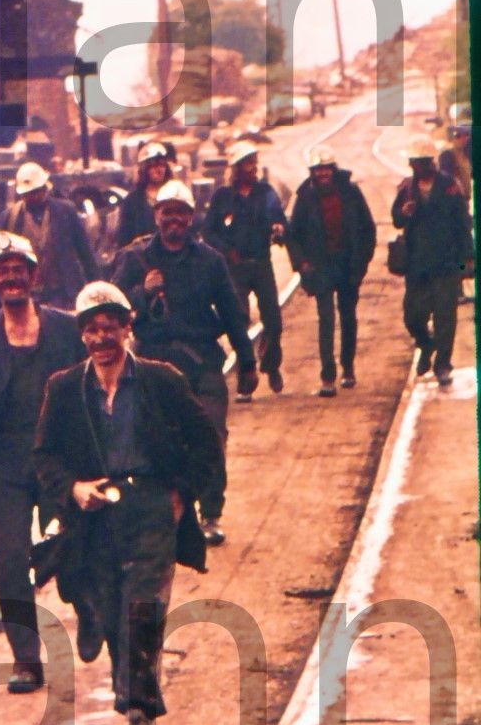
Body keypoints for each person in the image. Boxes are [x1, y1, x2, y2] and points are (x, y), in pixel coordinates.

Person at [33, 283, 224, 725]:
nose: (102, 338)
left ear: (127, 326)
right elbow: (44, 456)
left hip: (150, 507)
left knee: (143, 605)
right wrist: (73, 488)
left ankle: (137, 713)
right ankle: (134, 690)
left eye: (111, 327)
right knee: (110, 608)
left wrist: (181, 495)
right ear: (82, 336)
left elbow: (207, 441)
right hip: (93, 517)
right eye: (92, 330)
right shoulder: (64, 388)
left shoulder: (161, 381)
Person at [0, 232, 85, 693]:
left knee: (74, 546)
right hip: (4, 468)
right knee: (9, 561)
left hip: (58, 464)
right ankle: (26, 659)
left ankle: (86, 612)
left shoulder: (66, 330)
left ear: (35, 276)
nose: (11, 278)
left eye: (19, 270)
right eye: (2, 271)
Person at [115, 180, 257, 547]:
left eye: (181, 212)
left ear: (191, 217)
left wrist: (247, 361)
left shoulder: (209, 260)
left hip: (201, 361)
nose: (173, 219)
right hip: (153, 364)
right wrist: (141, 293)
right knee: (155, 440)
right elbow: (111, 312)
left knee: (210, 434)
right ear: (156, 215)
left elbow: (231, 312)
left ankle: (210, 512)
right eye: (167, 212)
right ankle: (169, 513)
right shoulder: (135, 259)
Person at [286, 148, 376, 396]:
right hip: (321, 267)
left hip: (348, 265)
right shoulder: (305, 197)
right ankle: (328, 376)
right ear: (313, 173)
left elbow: (368, 229)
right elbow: (293, 235)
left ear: (333, 170)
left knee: (348, 317)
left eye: (326, 169)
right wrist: (302, 264)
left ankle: (348, 367)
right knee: (326, 320)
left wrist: (362, 261)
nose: (323, 174)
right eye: (318, 170)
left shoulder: (351, 193)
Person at [202, 139, 288, 395]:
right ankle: (245, 379)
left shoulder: (266, 193)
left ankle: (271, 365)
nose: (252, 168)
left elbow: (280, 217)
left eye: (254, 163)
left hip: (261, 262)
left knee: (273, 319)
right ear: (236, 169)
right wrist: (228, 252)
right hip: (234, 270)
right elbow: (209, 232)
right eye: (247, 164)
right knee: (239, 322)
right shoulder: (222, 198)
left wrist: (279, 229)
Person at [391, 135, 474, 387]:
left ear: (432, 162)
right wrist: (403, 213)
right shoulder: (406, 188)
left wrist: (468, 259)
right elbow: (396, 219)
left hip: (446, 263)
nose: (419, 167)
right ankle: (426, 345)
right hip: (417, 265)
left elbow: (463, 223)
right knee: (413, 316)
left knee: (445, 317)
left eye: (423, 162)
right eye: (415, 162)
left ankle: (443, 365)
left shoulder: (450, 186)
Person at [0, 161, 99, 310]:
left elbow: (85, 252)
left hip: (63, 293)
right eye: (29, 193)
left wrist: (96, 285)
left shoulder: (66, 211)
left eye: (37, 191)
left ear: (45, 188)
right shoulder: (10, 218)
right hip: (28, 294)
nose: (34, 196)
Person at [113, 142, 174, 249]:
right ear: (145, 170)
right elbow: (124, 238)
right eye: (153, 166)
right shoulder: (133, 201)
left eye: (161, 165)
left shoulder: (177, 194)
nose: (158, 170)